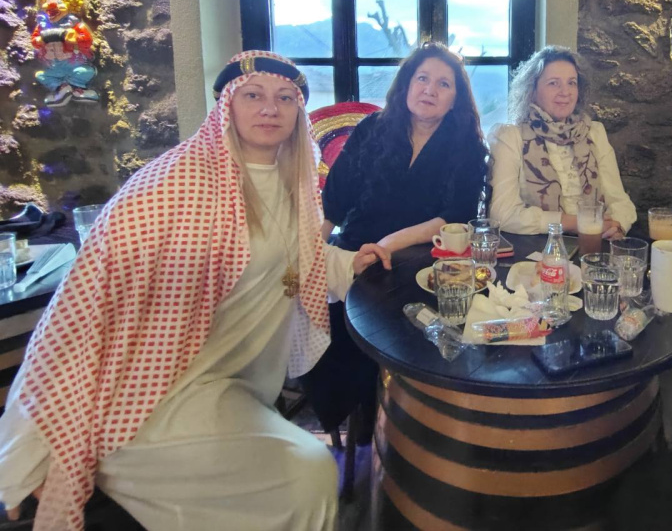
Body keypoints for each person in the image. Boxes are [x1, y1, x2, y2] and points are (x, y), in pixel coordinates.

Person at [0, 50, 389, 531]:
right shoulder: (171, 188)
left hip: (231, 388)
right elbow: (80, 314)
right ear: (227, 105)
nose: (271, 108)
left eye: (285, 98)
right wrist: (30, 449)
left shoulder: (292, 180)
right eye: (253, 95)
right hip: (155, 398)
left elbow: (295, 257)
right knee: (306, 474)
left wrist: (351, 263)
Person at [302, 42, 488, 438]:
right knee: (334, 334)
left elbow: (454, 215)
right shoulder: (372, 129)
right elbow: (334, 201)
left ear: (455, 99)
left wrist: (388, 245)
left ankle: (404, 426)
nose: (430, 90)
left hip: (419, 262)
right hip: (354, 252)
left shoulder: (467, 146)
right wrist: (312, 255)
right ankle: (364, 424)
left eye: (444, 84)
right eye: (422, 78)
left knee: (414, 340)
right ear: (406, 84)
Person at [487, 45, 636, 238]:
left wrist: (616, 227)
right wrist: (575, 223)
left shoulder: (594, 132)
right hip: (538, 248)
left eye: (572, 83)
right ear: (532, 90)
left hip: (595, 241)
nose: (565, 92)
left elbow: (620, 202)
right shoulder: (509, 137)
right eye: (553, 83)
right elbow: (503, 214)